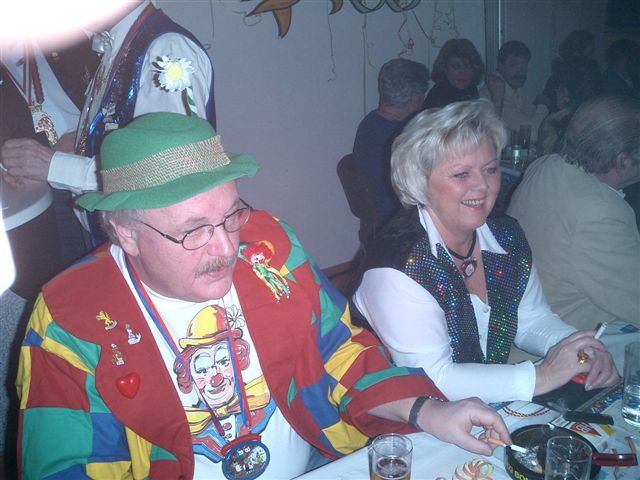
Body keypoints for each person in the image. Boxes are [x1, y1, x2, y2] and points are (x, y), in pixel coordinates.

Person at [16, 112, 511, 479]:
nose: (225, 247)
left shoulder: (268, 245)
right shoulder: (70, 317)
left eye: (230, 215)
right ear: (126, 233)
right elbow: (66, 467)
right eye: (193, 231)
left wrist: (426, 409)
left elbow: (341, 348)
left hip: (319, 462)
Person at [350, 100, 618, 404]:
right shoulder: (395, 267)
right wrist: (542, 376)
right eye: (461, 174)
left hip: (477, 404)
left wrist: (579, 349)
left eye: (490, 169)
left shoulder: (506, 237)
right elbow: (433, 378)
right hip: (395, 414)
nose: (483, 185)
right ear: (420, 183)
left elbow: (529, 318)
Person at [1, 0, 215, 244]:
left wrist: (53, 166)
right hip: (123, 239)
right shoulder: (118, 47)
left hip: (160, 246)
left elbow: (165, 174)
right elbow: (121, 140)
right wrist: (47, 161)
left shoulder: (165, 50)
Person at [508, 96, 640, 330]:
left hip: (522, 329)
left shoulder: (546, 165)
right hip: (565, 344)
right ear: (623, 161)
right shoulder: (600, 212)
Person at [352, 58, 429, 238]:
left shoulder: (369, 124)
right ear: (415, 98)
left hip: (378, 223)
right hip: (399, 224)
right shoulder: (401, 137)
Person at [481, 40, 547, 144]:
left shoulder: (517, 89)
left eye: (524, 65)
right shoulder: (492, 93)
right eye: (514, 65)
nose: (521, 71)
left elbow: (533, 120)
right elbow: (532, 134)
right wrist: (543, 106)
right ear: (500, 66)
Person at [536, 56, 602, 156]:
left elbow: (546, 157)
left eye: (557, 86)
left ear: (566, 93)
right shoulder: (604, 119)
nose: (555, 90)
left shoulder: (552, 122)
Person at [422, 38, 483, 109]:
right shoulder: (438, 96)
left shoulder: (471, 89)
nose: (463, 72)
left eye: (467, 65)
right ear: (444, 68)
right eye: (456, 66)